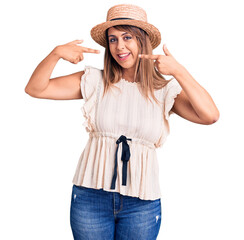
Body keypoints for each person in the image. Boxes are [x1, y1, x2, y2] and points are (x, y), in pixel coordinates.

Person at [24, 3, 219, 240]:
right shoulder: (95, 81)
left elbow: (210, 115)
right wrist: (55, 54)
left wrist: (179, 71)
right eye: (113, 39)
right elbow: (35, 88)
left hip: (142, 203)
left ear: (142, 40)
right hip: (90, 197)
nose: (119, 46)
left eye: (127, 37)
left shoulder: (164, 91)